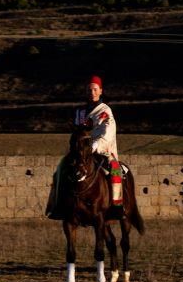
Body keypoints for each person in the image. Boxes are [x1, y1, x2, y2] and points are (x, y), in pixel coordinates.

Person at [46, 75, 124, 220]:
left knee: (115, 170)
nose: (92, 93)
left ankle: (117, 206)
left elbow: (108, 132)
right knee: (61, 169)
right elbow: (76, 131)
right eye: (89, 90)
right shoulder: (79, 112)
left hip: (101, 150)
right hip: (80, 151)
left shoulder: (105, 111)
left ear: (100, 91)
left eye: (95, 90)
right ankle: (57, 205)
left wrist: (93, 146)